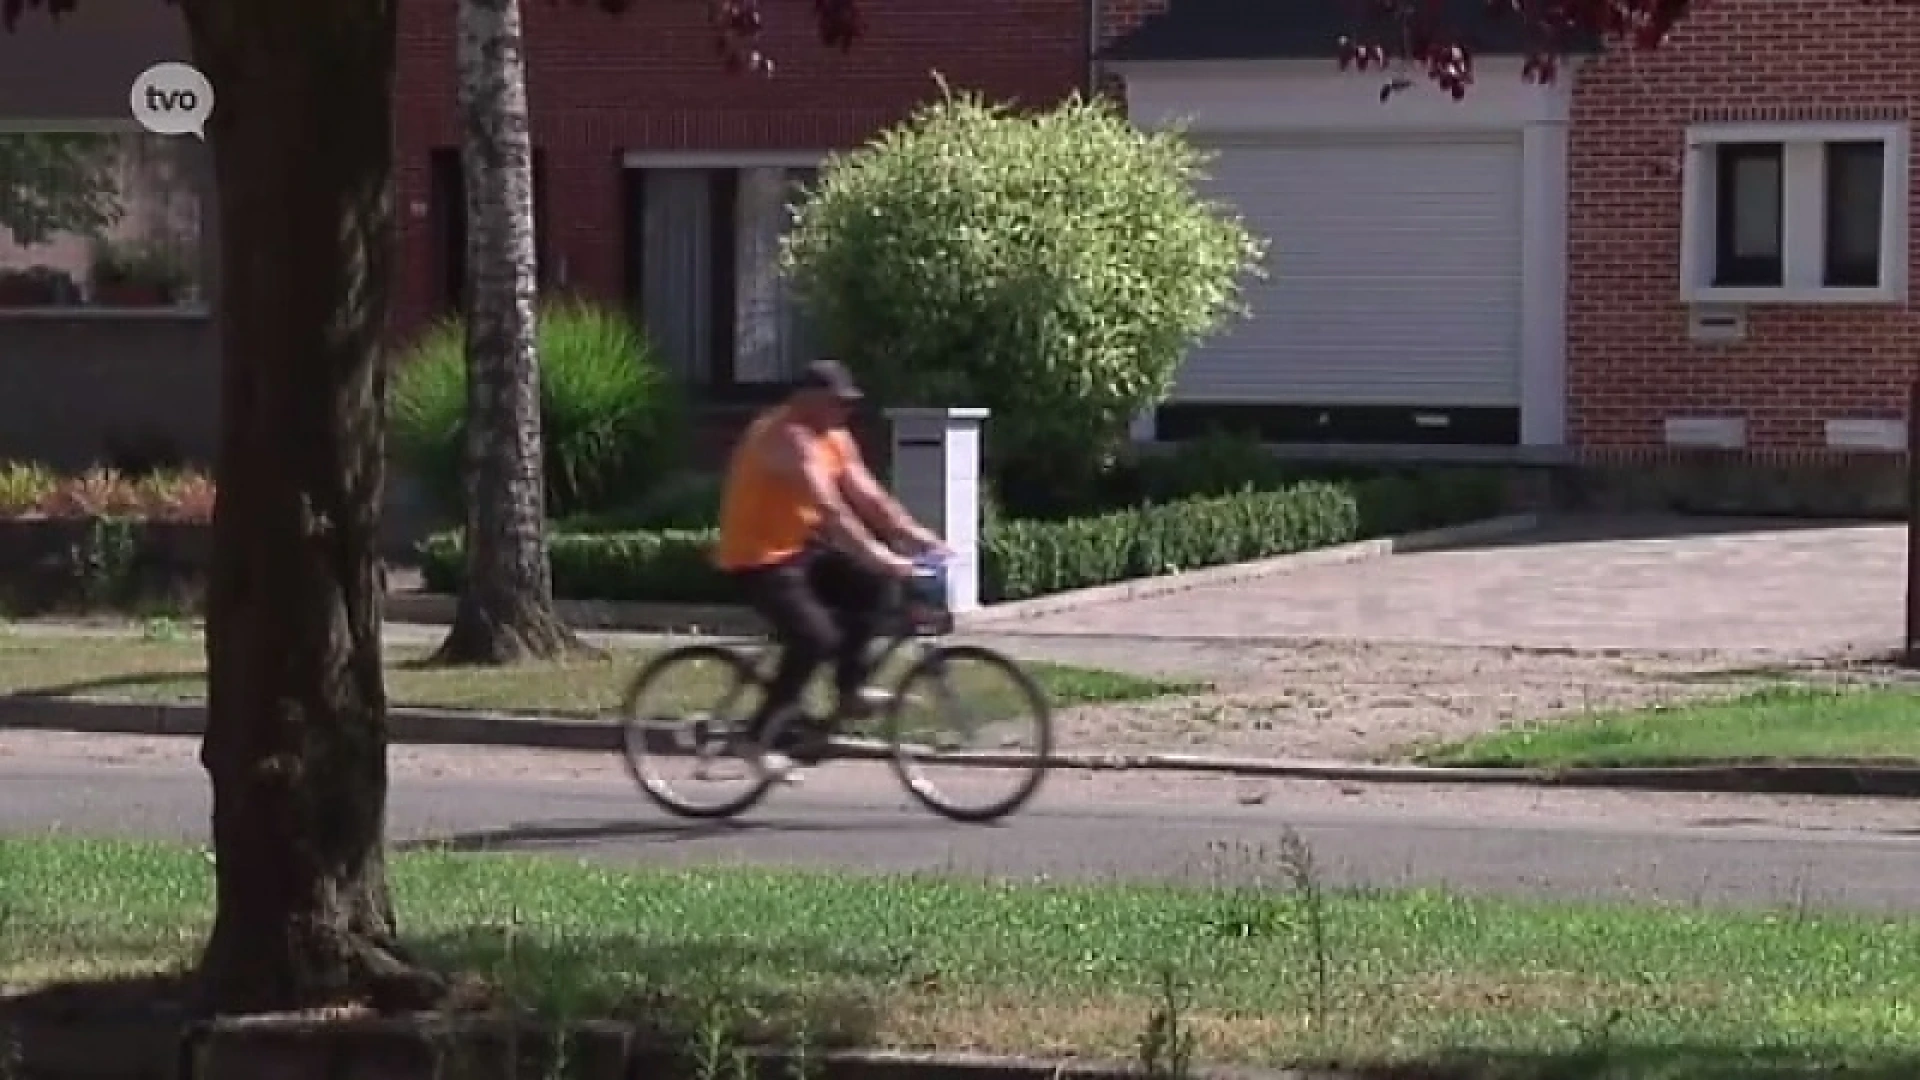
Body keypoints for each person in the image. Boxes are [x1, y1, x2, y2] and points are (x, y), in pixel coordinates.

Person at [713, 358, 950, 777]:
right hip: (756, 559)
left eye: (849, 404)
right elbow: (831, 509)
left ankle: (848, 690)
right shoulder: (786, 436)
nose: (844, 412)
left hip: (798, 550)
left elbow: (870, 496)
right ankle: (756, 737)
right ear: (807, 400)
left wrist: (919, 536)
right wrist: (879, 553)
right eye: (836, 403)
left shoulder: (834, 437)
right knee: (815, 638)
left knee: (872, 586)